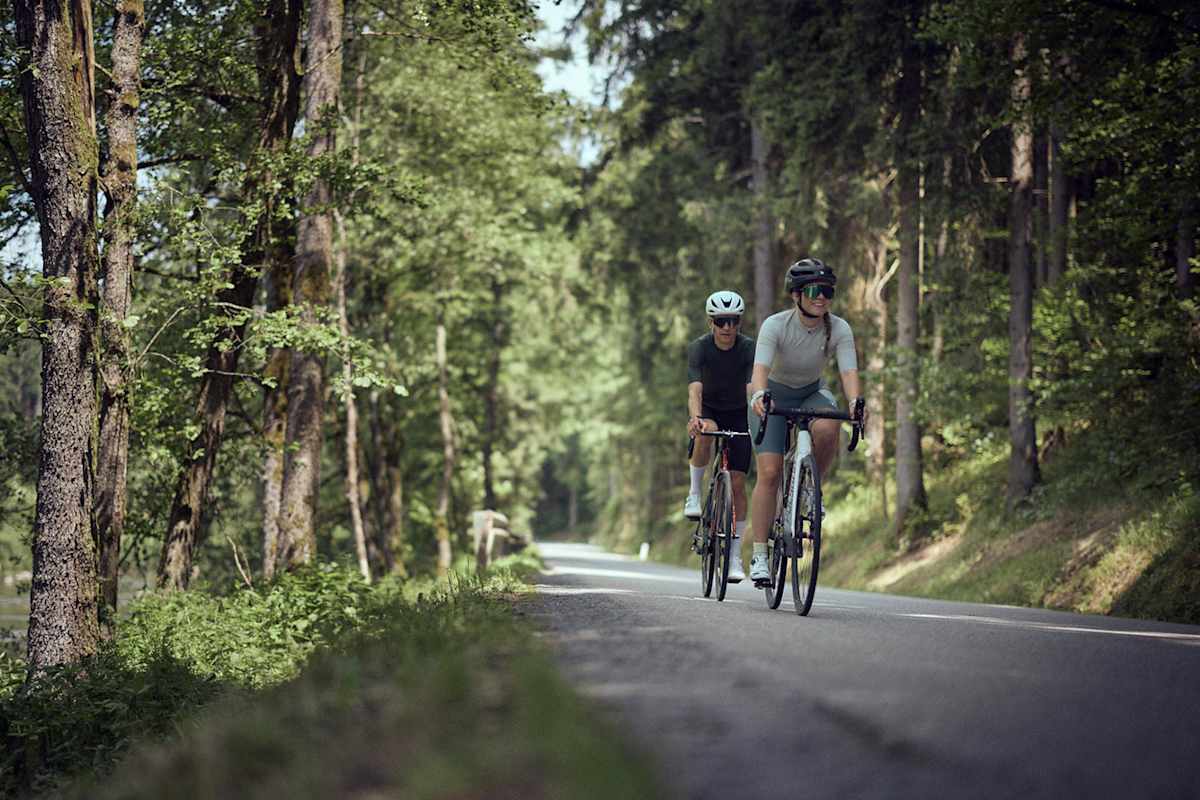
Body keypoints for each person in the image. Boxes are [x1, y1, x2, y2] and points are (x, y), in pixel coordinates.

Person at [746, 259, 865, 583]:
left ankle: (811, 489)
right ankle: (759, 555)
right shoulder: (776, 325)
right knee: (769, 473)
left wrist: (856, 404)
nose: (822, 297)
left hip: (812, 392)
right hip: (772, 395)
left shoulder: (838, 328)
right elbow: (760, 370)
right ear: (796, 295)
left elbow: (848, 371)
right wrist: (758, 396)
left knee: (829, 425)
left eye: (827, 291)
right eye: (814, 290)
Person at [686, 290, 755, 582]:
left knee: (738, 482)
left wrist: (757, 418)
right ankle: (694, 494)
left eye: (733, 321)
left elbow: (753, 386)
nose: (727, 327)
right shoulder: (699, 347)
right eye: (721, 321)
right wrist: (696, 418)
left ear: (739, 322)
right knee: (706, 432)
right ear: (711, 322)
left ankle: (735, 555)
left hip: (740, 412)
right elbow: (694, 389)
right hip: (710, 410)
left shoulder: (749, 347)